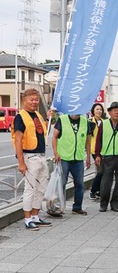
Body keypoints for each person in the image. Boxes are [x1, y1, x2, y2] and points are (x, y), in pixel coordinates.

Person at [12, 88, 54, 230]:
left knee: (41, 188)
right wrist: (21, 162)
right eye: (31, 99)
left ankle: (35, 216)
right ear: (25, 100)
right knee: (30, 189)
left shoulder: (36, 114)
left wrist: (48, 118)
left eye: (36, 99)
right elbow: (18, 140)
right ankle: (27, 218)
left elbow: (42, 131)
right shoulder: (20, 117)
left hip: (41, 156)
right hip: (29, 157)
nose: (35, 102)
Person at [95, 101, 118, 212]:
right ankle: (103, 203)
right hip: (107, 156)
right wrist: (98, 154)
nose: (117, 113)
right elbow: (98, 140)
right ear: (110, 112)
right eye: (114, 111)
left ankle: (116, 204)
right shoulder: (104, 124)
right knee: (106, 181)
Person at [52, 114, 91, 216]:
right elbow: (54, 136)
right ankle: (58, 207)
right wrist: (56, 153)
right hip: (64, 158)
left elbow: (88, 140)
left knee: (80, 184)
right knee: (62, 183)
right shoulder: (62, 119)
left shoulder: (84, 121)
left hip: (78, 158)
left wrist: (88, 157)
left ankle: (77, 207)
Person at [89, 103, 105, 200]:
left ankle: (98, 190)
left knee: (102, 171)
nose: (99, 111)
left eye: (100, 109)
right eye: (97, 109)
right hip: (94, 150)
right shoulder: (90, 122)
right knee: (101, 170)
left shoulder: (104, 122)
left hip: (104, 150)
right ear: (93, 111)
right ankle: (93, 190)